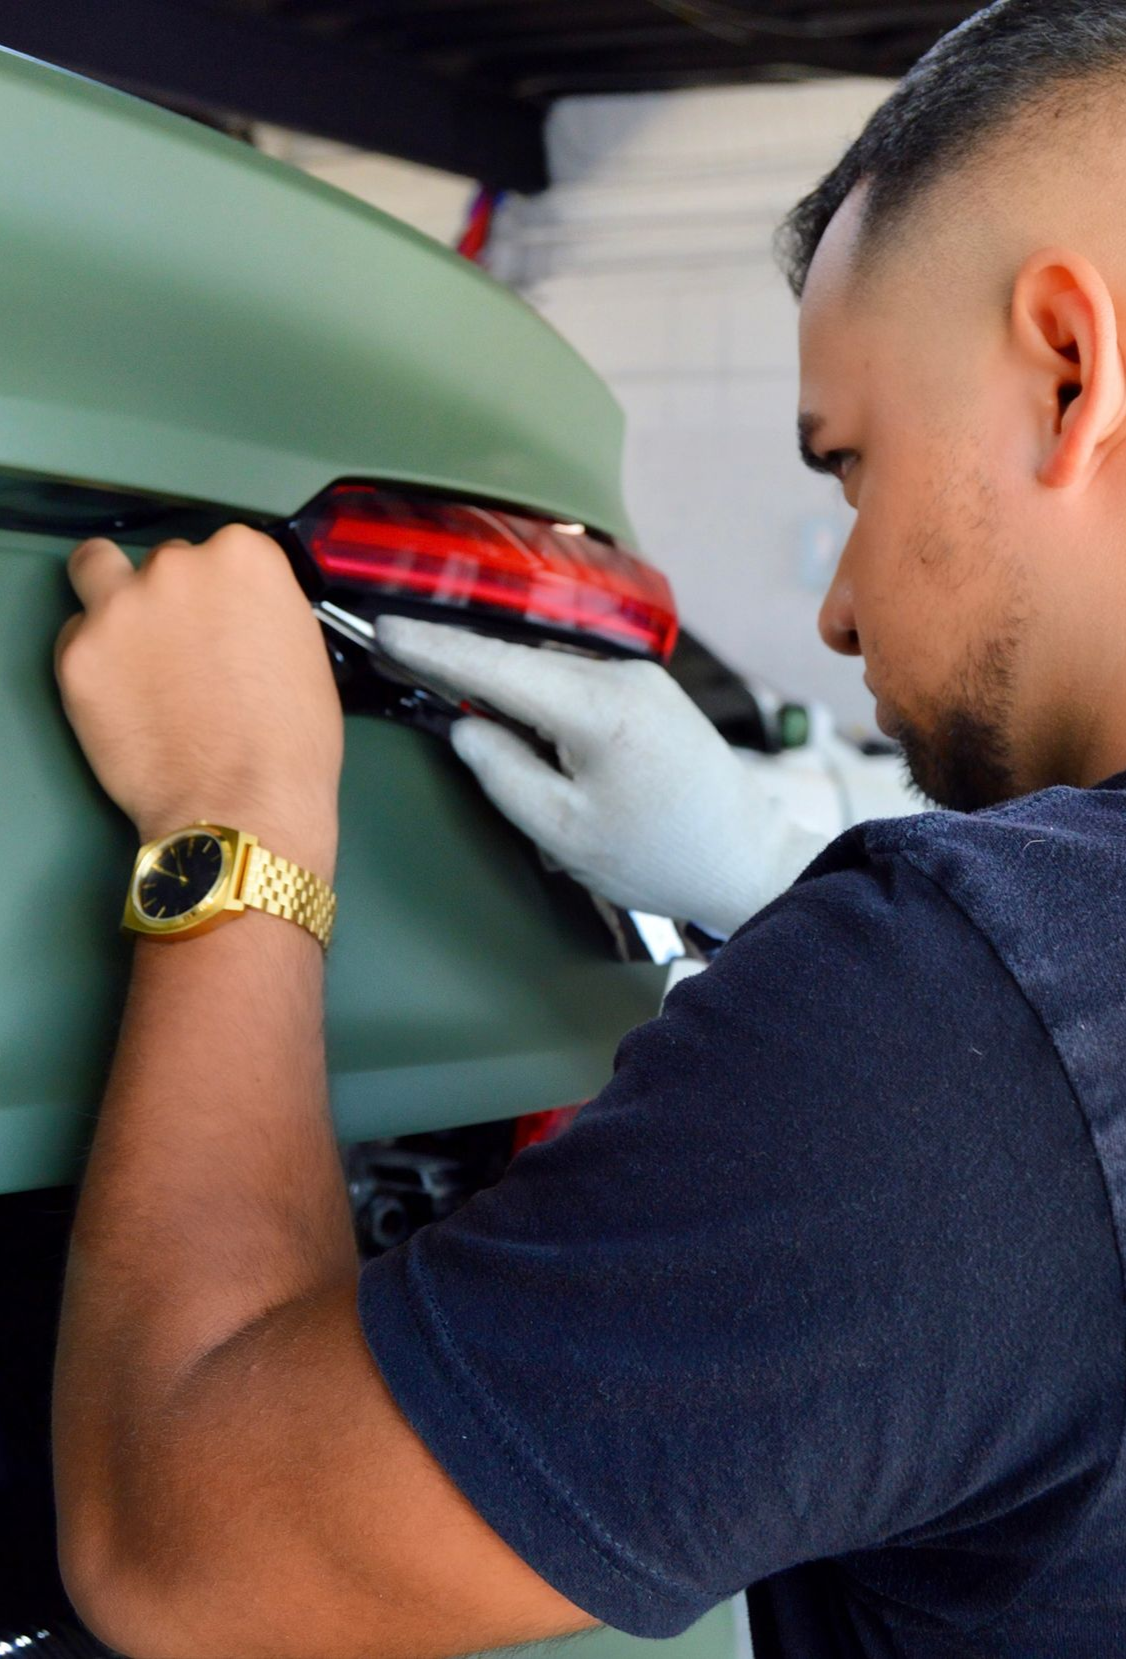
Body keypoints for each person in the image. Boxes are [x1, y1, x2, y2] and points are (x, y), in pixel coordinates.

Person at [47, 2, 1126, 1654]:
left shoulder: (973, 1031)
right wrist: (780, 895)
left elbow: (181, 1540)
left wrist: (239, 818)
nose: (834, 613)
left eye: (850, 468)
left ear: (1069, 370)